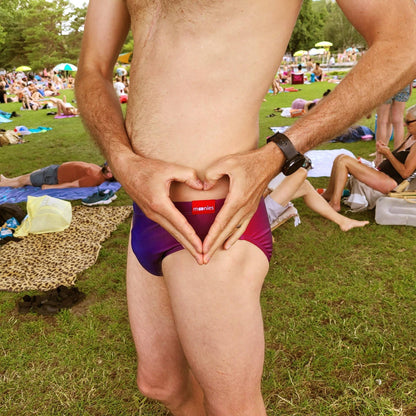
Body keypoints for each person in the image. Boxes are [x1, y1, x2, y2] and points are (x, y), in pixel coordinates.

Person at [75, 1, 416, 414]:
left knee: (232, 405)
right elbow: (93, 67)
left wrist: (281, 150)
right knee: (161, 385)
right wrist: (122, 160)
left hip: (217, 214)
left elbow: (406, 39)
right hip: (147, 203)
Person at [322, 104, 416, 212]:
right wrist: (382, 153)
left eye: (408, 122)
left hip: (392, 182)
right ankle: (329, 194)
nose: (404, 124)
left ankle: (335, 204)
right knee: (340, 157)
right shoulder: (411, 136)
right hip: (383, 174)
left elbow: (405, 173)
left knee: (344, 161)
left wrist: (388, 154)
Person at [265, 168, 369, 231]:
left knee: (305, 185)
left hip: (257, 207)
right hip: (257, 214)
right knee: (300, 173)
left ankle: (342, 221)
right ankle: (343, 221)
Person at [0, 162, 114, 190]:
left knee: (24, 180)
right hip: (55, 169)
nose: (110, 166)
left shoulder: (94, 178)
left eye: (111, 169)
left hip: (53, 177)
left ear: (109, 175)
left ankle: (3, 184)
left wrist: (50, 187)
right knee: (28, 175)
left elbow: (73, 184)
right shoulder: (100, 170)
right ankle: (8, 181)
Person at [374, 83, 412, 166]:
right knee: (398, 121)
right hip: (404, 81)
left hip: (386, 81)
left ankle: (379, 158)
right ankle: (397, 156)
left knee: (382, 121)